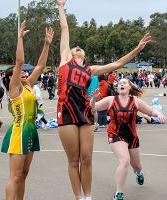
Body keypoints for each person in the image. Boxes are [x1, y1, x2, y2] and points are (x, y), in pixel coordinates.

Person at [56, 0, 151, 199]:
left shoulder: (89, 70)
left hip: (85, 112)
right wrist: (61, 6)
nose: (78, 47)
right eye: (75, 47)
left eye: (80, 48)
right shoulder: (65, 59)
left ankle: (88, 196)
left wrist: (137, 49)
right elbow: (64, 29)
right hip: (66, 113)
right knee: (74, 161)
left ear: (85, 56)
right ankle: (79, 197)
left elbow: (116, 63)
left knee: (87, 158)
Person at [1, 21, 54, 200]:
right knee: (15, 176)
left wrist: (46, 44)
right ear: (11, 78)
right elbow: (20, 61)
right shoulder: (14, 88)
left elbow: (39, 66)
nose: (24, 73)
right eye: (19, 73)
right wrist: (20, 39)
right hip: (19, 132)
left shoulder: (28, 85)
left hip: (30, 130)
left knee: (23, 174)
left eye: (24, 73)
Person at [91, 78, 166, 200]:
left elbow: (150, 110)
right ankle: (119, 193)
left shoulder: (135, 101)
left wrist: (158, 114)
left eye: (124, 83)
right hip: (115, 133)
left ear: (129, 87)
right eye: (119, 83)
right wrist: (94, 99)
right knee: (124, 160)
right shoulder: (110, 100)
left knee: (136, 165)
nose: (121, 84)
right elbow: (93, 108)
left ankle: (138, 173)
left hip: (131, 135)